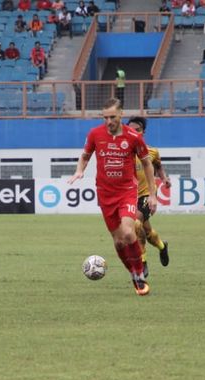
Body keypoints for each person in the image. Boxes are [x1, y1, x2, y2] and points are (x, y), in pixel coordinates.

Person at [68, 98, 157, 296]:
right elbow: (85, 155)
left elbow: (147, 164)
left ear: (121, 115)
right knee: (118, 242)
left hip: (127, 191)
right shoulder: (95, 134)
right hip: (105, 194)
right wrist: (79, 171)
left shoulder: (133, 137)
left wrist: (152, 194)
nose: (109, 121)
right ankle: (133, 272)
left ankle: (139, 276)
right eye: (106, 117)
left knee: (128, 231)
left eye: (113, 117)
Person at [126, 117, 171, 277]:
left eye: (137, 129)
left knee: (136, 225)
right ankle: (161, 246)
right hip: (128, 197)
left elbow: (158, 165)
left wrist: (164, 178)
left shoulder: (152, 151)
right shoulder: (123, 151)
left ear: (143, 132)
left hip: (146, 195)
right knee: (146, 230)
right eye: (130, 129)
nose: (133, 132)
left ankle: (142, 261)